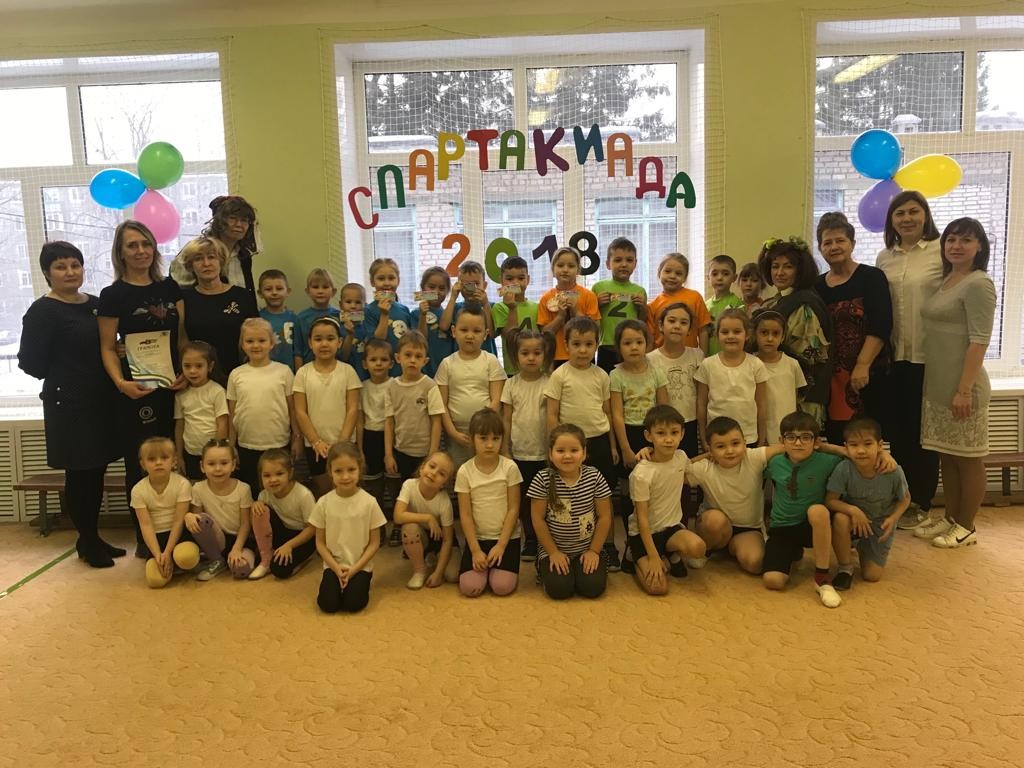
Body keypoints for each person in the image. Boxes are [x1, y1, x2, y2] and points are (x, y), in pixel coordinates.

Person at [18, 241, 122, 567]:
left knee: (97, 470)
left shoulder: (95, 304)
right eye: (61, 267)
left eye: (75, 265)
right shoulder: (43, 311)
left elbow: (107, 345)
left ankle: (90, 538)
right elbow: (30, 363)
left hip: (101, 400)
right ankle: (88, 540)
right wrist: (65, 368)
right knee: (79, 473)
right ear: (47, 273)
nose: (70, 272)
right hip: (68, 404)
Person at [98, 220, 186, 556]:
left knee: (175, 456)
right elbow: (108, 347)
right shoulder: (113, 295)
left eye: (146, 244)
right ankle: (146, 540)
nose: (140, 251)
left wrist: (186, 372)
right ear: (120, 252)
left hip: (172, 386)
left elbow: (182, 337)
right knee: (141, 463)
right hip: (136, 390)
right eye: (132, 245)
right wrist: (121, 383)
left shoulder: (170, 287)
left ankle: (176, 533)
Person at [914, 218, 997, 548]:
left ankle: (967, 527)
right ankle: (950, 517)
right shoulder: (947, 279)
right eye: (951, 240)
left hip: (965, 388)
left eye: (965, 240)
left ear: (980, 246)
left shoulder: (979, 284)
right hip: (938, 385)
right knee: (947, 456)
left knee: (968, 458)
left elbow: (979, 341)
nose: (956, 246)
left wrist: (964, 390)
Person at [875, 191, 944, 529]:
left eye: (913, 211)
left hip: (930, 357)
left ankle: (922, 502)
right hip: (894, 358)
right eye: (899, 213)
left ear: (925, 215)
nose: (906, 218)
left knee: (924, 435)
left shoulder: (941, 251)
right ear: (891, 220)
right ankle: (901, 498)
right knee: (899, 432)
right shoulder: (884, 257)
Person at [544, 317, 620, 569]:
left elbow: (607, 413)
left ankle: (608, 545)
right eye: (576, 344)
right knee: (570, 496)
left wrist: (612, 446)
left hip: (599, 442)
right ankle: (569, 546)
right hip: (569, 447)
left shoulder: (602, 375)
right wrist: (554, 448)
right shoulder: (559, 375)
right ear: (566, 345)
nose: (583, 350)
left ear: (597, 345)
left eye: (588, 344)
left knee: (603, 496)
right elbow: (552, 415)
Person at [814, 212, 893, 445]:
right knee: (838, 442)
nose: (834, 247)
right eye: (827, 242)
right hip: (831, 380)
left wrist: (862, 365)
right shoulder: (817, 286)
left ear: (852, 243)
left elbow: (881, 324)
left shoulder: (871, 277)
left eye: (840, 240)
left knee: (867, 442)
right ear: (820, 249)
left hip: (867, 374)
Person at [626, 405, 707, 595]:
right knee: (658, 588)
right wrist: (653, 557)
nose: (668, 439)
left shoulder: (680, 457)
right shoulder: (641, 474)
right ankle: (635, 555)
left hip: (671, 529)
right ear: (649, 436)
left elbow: (690, 466)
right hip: (643, 535)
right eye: (661, 433)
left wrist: (711, 455)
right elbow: (642, 518)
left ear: (682, 434)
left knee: (698, 547)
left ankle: (669, 552)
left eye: (674, 432)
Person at [528, 424, 613, 600]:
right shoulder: (542, 479)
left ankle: (583, 568)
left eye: (574, 450)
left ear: (584, 453)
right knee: (559, 590)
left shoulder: (594, 476)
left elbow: (604, 517)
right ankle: (546, 569)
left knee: (592, 588)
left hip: (587, 548)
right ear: (551, 454)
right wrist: (553, 552)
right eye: (560, 451)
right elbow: (538, 520)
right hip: (553, 549)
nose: (567, 456)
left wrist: (594, 551)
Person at [825, 418, 910, 589]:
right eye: (854, 445)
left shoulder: (892, 471)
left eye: (868, 444)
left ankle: (860, 546)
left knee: (871, 576)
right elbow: (830, 500)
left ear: (880, 445)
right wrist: (853, 510)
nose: (861, 450)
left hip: (879, 523)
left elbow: (905, 498)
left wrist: (893, 518)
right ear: (846, 447)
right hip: (854, 520)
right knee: (840, 518)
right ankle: (845, 568)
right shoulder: (844, 469)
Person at [758, 236, 833, 426]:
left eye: (788, 267)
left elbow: (810, 357)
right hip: (776, 388)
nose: (780, 272)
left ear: (800, 270)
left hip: (801, 395)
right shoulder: (776, 301)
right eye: (775, 266)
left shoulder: (805, 303)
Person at [688, 417, 771, 575]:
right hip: (716, 523)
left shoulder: (753, 457)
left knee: (755, 563)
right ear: (710, 450)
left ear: (745, 444)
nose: (730, 451)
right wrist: (705, 456)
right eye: (720, 446)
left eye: (735, 443)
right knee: (714, 521)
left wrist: (822, 447)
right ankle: (708, 549)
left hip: (748, 529)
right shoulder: (705, 468)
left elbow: (783, 448)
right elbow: (676, 469)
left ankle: (731, 545)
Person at [311, 442, 386, 614]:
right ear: (330, 471)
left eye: (351, 470)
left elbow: (374, 543)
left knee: (353, 604)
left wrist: (354, 570)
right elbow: (320, 543)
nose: (345, 476)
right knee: (328, 605)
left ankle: (359, 583)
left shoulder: (369, 502)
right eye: (338, 471)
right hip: (333, 565)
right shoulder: (323, 503)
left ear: (360, 469)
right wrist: (336, 569)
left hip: (360, 566)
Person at [455, 408, 523, 597]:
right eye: (483, 438)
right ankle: (483, 567)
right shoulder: (464, 471)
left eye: (496, 438)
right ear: (472, 439)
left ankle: (497, 569)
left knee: (502, 587)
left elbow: (514, 509)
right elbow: (465, 515)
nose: (490, 444)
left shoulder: (510, 468)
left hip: (506, 539)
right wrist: (475, 550)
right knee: (470, 588)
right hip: (477, 539)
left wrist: (501, 545)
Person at [226, 318, 300, 493]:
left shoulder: (284, 372)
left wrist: (297, 438)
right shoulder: (236, 374)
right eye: (250, 341)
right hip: (247, 445)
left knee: (279, 491)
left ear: (271, 343)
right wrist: (231, 444)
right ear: (242, 344)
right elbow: (232, 413)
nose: (256, 345)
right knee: (252, 492)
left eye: (261, 340)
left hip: (278, 443)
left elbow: (292, 409)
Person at [501, 329, 553, 561]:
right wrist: (505, 449)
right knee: (522, 500)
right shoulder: (510, 384)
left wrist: (552, 449)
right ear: (516, 356)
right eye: (525, 353)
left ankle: (546, 538)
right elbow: (506, 419)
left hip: (544, 454)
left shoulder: (550, 383)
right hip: (519, 454)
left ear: (544, 355)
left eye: (537, 353)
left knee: (544, 498)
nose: (531, 358)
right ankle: (530, 539)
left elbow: (553, 417)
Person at [436, 304, 506, 473]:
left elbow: (497, 399)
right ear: (454, 331)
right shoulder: (447, 364)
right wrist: (452, 432)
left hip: (485, 435)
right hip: (457, 434)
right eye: (464, 330)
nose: (469, 335)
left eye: (476, 331)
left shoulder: (491, 361)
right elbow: (441, 404)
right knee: (458, 474)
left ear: (485, 334)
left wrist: (482, 429)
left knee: (485, 472)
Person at [384, 331, 445, 512]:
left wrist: (431, 455)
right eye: (408, 355)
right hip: (401, 451)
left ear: (425, 361)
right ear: (398, 358)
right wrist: (388, 454)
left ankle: (426, 522)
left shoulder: (430, 386)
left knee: (425, 493)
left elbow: (436, 422)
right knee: (406, 494)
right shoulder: (391, 386)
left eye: (418, 356)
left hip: (424, 453)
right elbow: (389, 422)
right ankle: (405, 522)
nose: (412, 360)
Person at [292, 317, 361, 477]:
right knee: (321, 485)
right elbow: (300, 411)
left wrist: (342, 442)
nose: (324, 344)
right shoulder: (303, 373)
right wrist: (316, 441)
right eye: (318, 339)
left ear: (339, 342)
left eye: (330, 339)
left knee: (345, 483)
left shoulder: (348, 371)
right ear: (310, 343)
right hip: (315, 445)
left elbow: (353, 409)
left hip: (344, 443)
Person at [179, 236, 258, 375]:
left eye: (211, 257)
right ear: (190, 265)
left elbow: (256, 335)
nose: (206, 263)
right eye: (198, 259)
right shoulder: (184, 299)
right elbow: (182, 341)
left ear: (221, 261)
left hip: (241, 373)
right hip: (199, 376)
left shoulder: (242, 296)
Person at [130, 437, 199, 588]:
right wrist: (157, 554)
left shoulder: (182, 484)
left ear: (174, 461)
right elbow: (146, 525)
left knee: (186, 557)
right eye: (152, 459)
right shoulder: (138, 490)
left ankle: (175, 561)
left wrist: (167, 552)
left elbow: (178, 520)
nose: (158, 462)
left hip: (179, 535)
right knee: (155, 581)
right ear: (143, 464)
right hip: (156, 540)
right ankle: (169, 564)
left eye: (164, 458)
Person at [694, 309, 768, 450]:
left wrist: (762, 437)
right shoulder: (707, 365)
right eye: (725, 332)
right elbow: (701, 404)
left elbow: (762, 404)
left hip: (748, 436)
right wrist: (703, 438)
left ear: (747, 335)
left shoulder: (756, 365)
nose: (731, 336)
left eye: (737, 331)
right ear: (717, 335)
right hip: (716, 437)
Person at [185, 439, 256, 581]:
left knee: (241, 569)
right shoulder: (198, 488)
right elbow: (199, 520)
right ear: (202, 466)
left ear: (233, 465)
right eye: (211, 464)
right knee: (199, 519)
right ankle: (216, 559)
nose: (218, 469)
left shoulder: (243, 489)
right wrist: (189, 515)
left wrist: (236, 549)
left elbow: (245, 524)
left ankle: (230, 558)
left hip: (240, 541)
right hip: (217, 539)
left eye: (224, 463)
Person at [393, 452, 459, 590]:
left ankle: (433, 556)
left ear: (444, 484)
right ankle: (419, 570)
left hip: (441, 538)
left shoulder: (444, 501)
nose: (433, 473)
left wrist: (438, 573)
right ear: (422, 467)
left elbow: (447, 540)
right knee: (409, 528)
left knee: (452, 575)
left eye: (441, 474)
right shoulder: (409, 485)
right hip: (421, 534)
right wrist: (427, 518)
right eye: (432, 466)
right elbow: (398, 516)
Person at [248, 449, 317, 580]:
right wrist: (256, 504)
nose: (273, 480)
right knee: (259, 509)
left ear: (290, 473)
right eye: (267, 475)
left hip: (303, 537)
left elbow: (311, 529)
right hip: (282, 533)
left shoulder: (303, 495)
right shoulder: (264, 494)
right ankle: (265, 559)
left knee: (279, 569)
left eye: (279, 474)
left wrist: (289, 545)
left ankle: (303, 561)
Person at [646, 303, 703, 458]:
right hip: (662, 426)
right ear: (661, 325)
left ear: (690, 329)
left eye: (684, 322)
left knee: (688, 467)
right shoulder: (649, 359)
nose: (677, 326)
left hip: (691, 423)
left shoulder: (697, 355)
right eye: (671, 321)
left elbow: (702, 394)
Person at [171, 195, 259, 295]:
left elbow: (248, 292)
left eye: (244, 220)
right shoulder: (196, 250)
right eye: (233, 218)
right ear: (219, 222)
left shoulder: (244, 255)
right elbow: (176, 291)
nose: (239, 224)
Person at [536, 246, 601, 367]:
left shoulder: (588, 296)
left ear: (578, 270)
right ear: (553, 269)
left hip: (584, 355)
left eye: (571, 266)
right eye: (560, 265)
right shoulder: (546, 298)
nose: (565, 270)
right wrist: (560, 317)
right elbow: (544, 334)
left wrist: (576, 311)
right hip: (556, 356)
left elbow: (595, 328)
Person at [174, 341, 229, 480]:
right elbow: (179, 426)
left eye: (199, 366)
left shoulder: (217, 391)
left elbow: (222, 424)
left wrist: (216, 453)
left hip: (213, 455)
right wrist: (179, 456)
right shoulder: (180, 395)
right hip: (190, 453)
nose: (192, 371)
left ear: (210, 366)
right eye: (187, 366)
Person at [592, 237, 648, 372]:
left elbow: (641, 321)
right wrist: (597, 304)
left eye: (629, 260)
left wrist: (643, 308)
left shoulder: (640, 291)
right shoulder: (598, 287)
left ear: (635, 263)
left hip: (630, 345)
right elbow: (591, 318)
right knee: (606, 381)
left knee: (630, 380)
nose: (624, 264)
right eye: (618, 260)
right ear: (608, 264)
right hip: (606, 346)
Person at [753, 310, 805, 445]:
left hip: (787, 428)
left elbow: (795, 399)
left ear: (782, 337)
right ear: (755, 334)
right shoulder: (749, 364)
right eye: (764, 333)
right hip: (757, 429)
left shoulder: (792, 364)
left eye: (776, 333)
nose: (770, 338)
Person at [646, 252, 712, 352]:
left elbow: (703, 330)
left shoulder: (695, 297)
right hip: (661, 358)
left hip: (690, 356)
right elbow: (650, 338)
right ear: (659, 273)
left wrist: (703, 356)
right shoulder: (652, 305)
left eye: (678, 273)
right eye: (668, 271)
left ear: (685, 278)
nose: (672, 276)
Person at [357, 338, 394, 510]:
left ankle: (397, 516)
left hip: (392, 437)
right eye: (373, 359)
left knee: (394, 479)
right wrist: (359, 449)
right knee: (373, 483)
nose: (378, 363)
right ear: (365, 364)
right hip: (369, 437)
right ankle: (376, 516)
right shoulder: (361, 388)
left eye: (384, 359)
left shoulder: (395, 385)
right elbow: (359, 420)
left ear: (391, 363)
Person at [362, 257, 412, 378]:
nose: (386, 283)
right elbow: (378, 341)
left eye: (391, 278)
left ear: (398, 280)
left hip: (403, 371)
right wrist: (384, 315)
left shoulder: (404, 309)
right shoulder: (368, 311)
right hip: (381, 372)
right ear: (372, 282)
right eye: (381, 279)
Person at [438, 259, 498, 357]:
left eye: (476, 284)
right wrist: (453, 297)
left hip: (485, 361)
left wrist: (485, 304)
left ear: (484, 285)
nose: (471, 289)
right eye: (465, 284)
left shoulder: (491, 307)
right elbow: (444, 326)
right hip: (461, 361)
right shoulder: (455, 307)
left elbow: (492, 334)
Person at [492, 255, 539, 375]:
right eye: (509, 279)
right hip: (513, 371)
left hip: (538, 369)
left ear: (528, 279)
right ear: (501, 281)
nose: (515, 283)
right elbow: (509, 337)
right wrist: (512, 308)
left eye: (521, 278)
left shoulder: (537, 307)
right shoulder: (499, 308)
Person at [292, 268, 339, 370]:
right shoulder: (301, 318)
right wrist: (299, 374)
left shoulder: (339, 316)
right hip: (309, 371)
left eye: (325, 287)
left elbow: (342, 349)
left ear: (333, 291)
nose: (320, 291)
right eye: (315, 287)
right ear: (308, 291)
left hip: (334, 370)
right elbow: (298, 352)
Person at [411, 266, 453, 377]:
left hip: (446, 370)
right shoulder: (415, 314)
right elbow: (420, 340)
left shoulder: (448, 314)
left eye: (442, 288)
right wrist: (423, 315)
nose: (436, 292)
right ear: (422, 288)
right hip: (424, 370)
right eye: (431, 287)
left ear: (447, 291)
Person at [257, 269, 297, 371]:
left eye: (279, 288)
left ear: (288, 291)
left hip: (290, 373)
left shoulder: (295, 319)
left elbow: (299, 351)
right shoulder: (257, 320)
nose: (274, 292)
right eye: (268, 289)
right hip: (264, 372)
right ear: (260, 293)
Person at [705, 254, 745, 355]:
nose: (719, 278)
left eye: (725, 274)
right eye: (715, 274)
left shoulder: (737, 304)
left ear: (734, 278)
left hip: (731, 357)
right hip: (709, 358)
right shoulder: (705, 305)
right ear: (708, 277)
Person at [339, 283, 369, 380]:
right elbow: (343, 357)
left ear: (365, 305)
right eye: (348, 302)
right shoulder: (337, 328)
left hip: (366, 377)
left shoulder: (367, 326)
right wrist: (349, 335)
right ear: (340, 305)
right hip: (345, 378)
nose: (353, 306)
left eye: (358, 302)